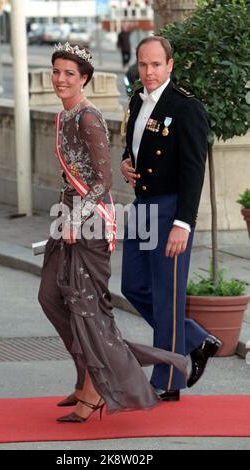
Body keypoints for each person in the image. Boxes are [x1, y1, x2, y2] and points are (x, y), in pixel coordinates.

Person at [38, 41, 188, 423]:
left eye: (69, 73)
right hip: (67, 213)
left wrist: (76, 220)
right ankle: (86, 372)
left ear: (84, 78)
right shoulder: (65, 116)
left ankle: (96, 388)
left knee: (88, 309)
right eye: (56, 72)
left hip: (88, 220)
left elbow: (102, 183)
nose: (60, 79)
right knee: (51, 296)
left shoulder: (88, 118)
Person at [120, 36, 222, 403]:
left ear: (170, 66)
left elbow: (194, 170)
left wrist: (184, 223)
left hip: (169, 211)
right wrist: (125, 163)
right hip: (142, 206)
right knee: (133, 285)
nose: (148, 72)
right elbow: (133, 146)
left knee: (167, 296)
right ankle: (195, 338)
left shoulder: (185, 108)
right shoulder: (136, 100)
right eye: (143, 65)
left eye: (156, 65)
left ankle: (168, 379)